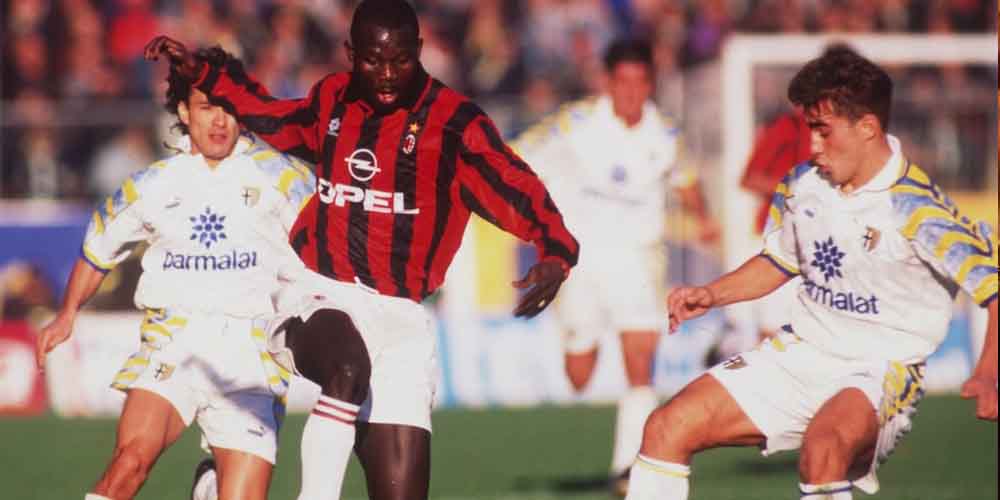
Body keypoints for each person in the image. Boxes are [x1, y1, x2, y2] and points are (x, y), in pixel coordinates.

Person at [144, 1, 580, 499]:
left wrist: (556, 249)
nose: (387, 74)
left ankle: (211, 490)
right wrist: (205, 74)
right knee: (346, 369)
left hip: (399, 318)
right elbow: (273, 116)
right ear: (351, 53)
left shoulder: (454, 124)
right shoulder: (334, 98)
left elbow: (515, 185)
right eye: (373, 60)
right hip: (316, 288)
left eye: (401, 60)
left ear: (420, 50)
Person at [626, 49, 998, 500]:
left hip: (880, 370)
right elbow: (780, 261)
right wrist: (712, 294)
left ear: (867, 128)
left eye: (823, 131)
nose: (813, 145)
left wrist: (989, 370)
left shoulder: (918, 208)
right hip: (801, 351)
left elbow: (993, 288)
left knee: (823, 451)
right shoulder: (802, 184)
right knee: (666, 426)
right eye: (809, 130)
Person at [35, 46, 315, 500]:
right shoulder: (152, 184)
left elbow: (330, 241)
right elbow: (97, 249)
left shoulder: (282, 178)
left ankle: (209, 488)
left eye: (228, 107)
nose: (219, 120)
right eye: (206, 108)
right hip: (174, 343)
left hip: (251, 355)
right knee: (129, 464)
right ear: (184, 112)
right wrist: (67, 314)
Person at [511, 38, 717, 495]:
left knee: (641, 361)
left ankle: (630, 468)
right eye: (622, 81)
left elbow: (685, 179)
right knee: (579, 375)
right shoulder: (576, 123)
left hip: (639, 260)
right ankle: (578, 337)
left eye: (640, 82)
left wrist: (703, 218)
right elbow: (518, 157)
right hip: (580, 262)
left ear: (650, 84)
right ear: (608, 82)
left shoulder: (665, 133)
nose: (631, 91)